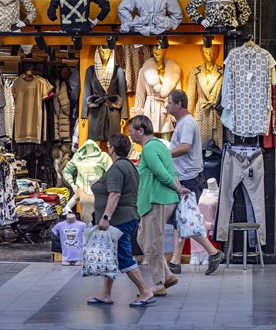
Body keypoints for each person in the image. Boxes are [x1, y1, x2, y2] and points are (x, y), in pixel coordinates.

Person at [88, 133, 155, 307]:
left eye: (109, 146)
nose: (108, 149)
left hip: (119, 220)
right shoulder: (129, 166)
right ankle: (106, 295)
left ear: (112, 148)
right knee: (111, 255)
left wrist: (105, 217)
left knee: (124, 256)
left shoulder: (117, 168)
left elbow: (115, 194)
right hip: (127, 218)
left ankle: (145, 291)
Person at [165, 90, 225, 276]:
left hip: (189, 178)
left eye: (169, 102)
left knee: (186, 219)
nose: (166, 105)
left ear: (179, 104)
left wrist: (165, 154)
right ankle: (176, 260)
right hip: (186, 177)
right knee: (180, 219)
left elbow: (185, 147)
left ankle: (213, 253)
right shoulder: (184, 123)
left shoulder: (187, 124)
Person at [128, 115, 189, 297]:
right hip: (157, 200)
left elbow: (162, 173)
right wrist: (177, 187)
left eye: (132, 131)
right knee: (143, 238)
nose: (130, 135)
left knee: (152, 242)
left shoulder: (149, 149)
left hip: (157, 199)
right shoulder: (159, 146)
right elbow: (170, 170)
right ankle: (167, 275)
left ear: (140, 131)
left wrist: (177, 188)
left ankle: (159, 283)